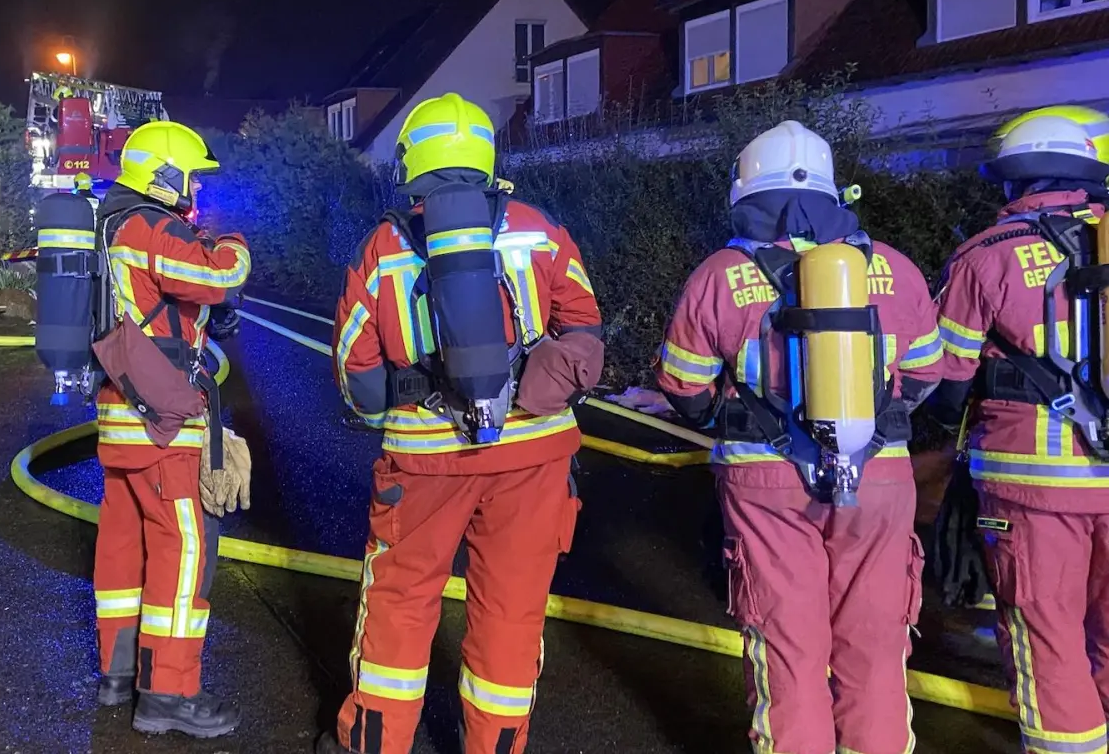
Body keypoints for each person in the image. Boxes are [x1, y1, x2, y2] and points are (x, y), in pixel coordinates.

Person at [320, 93, 602, 754]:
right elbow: (585, 330)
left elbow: (357, 382)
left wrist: (408, 391)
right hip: (533, 458)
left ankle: (373, 742)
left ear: (411, 165)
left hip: (423, 463)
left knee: (399, 600)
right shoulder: (540, 229)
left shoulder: (384, 249)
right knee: (510, 610)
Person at [654, 120, 942, 754]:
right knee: (875, 653)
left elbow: (683, 385)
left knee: (788, 655)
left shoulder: (720, 275)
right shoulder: (894, 268)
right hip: (880, 480)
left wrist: (727, 417)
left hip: (767, 485)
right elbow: (927, 374)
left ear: (747, 193)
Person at [930, 107, 1109, 754]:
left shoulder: (986, 255)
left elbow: (946, 377)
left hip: (1033, 481)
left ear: (1016, 180)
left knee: (1045, 629)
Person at [88, 120, 251, 739]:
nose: (195, 190)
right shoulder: (151, 225)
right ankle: (170, 693)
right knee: (184, 555)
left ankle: (118, 674)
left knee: (122, 548)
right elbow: (217, 276)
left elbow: (154, 304)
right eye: (191, 176)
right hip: (165, 425)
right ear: (164, 173)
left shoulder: (111, 223)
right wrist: (233, 242)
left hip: (119, 417)